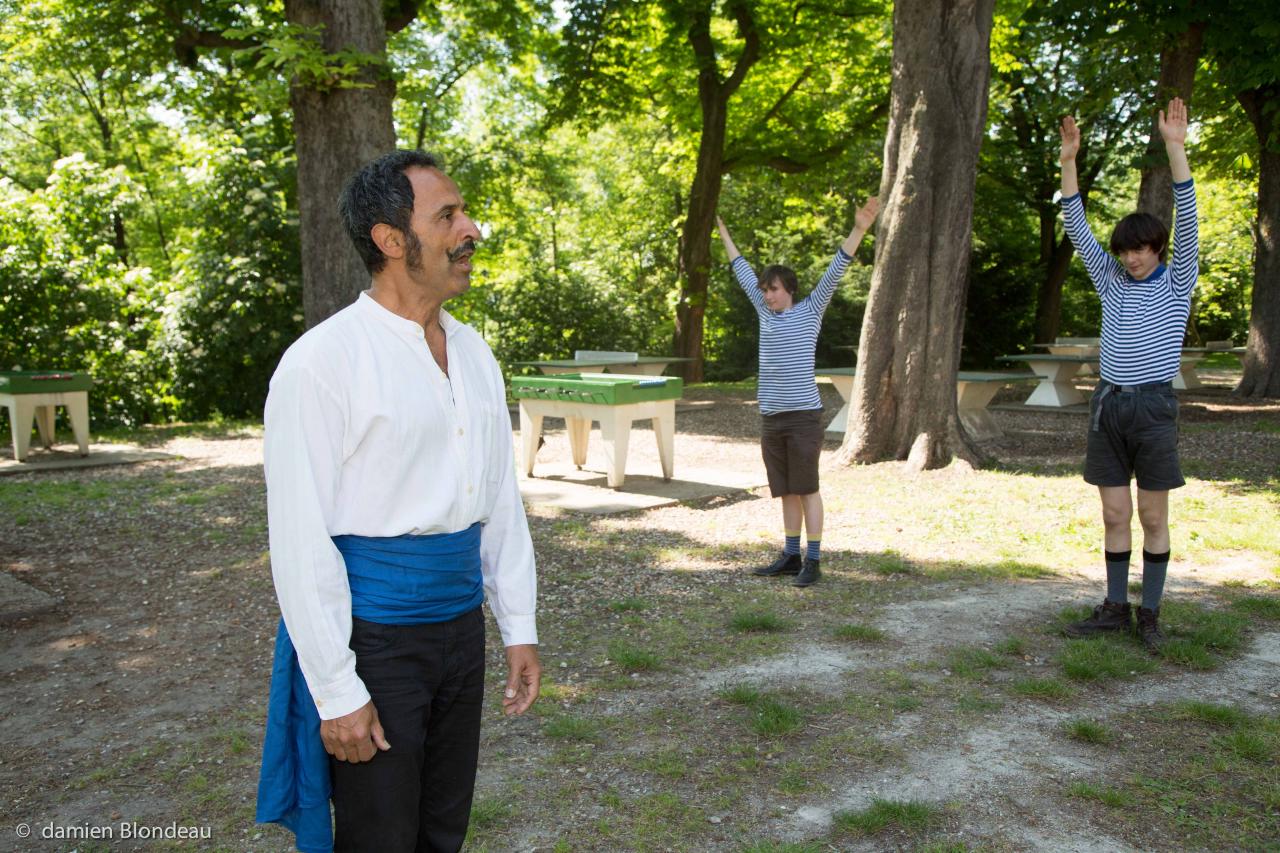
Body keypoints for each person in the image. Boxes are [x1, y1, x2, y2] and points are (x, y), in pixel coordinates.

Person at [255, 149, 541, 853]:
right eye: (448, 215)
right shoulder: (322, 362)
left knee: (444, 827)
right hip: (374, 639)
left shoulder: (475, 353)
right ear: (390, 239)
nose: (471, 229)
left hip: (459, 630)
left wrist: (518, 622)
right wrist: (335, 688)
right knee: (379, 835)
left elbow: (498, 501)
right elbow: (298, 538)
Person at [1058, 98, 1198, 652]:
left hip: (1152, 407)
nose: (1131, 258)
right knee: (1115, 513)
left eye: (1139, 249)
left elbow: (1188, 216)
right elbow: (1075, 224)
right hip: (1108, 406)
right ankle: (1115, 606)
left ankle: (1152, 615)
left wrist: (1175, 148)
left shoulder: (1176, 280)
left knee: (1151, 516)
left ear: (1157, 248)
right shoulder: (1112, 281)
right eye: (1124, 251)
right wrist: (1070, 162)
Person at [716, 197, 880, 588]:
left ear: (787, 288)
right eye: (764, 291)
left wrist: (859, 228)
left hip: (803, 417)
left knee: (807, 489)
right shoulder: (762, 311)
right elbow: (741, 269)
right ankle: (791, 554)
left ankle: (814, 559)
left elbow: (837, 267)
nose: (767, 295)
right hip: (771, 418)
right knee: (786, 489)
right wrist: (723, 232)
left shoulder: (810, 310)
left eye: (772, 289)